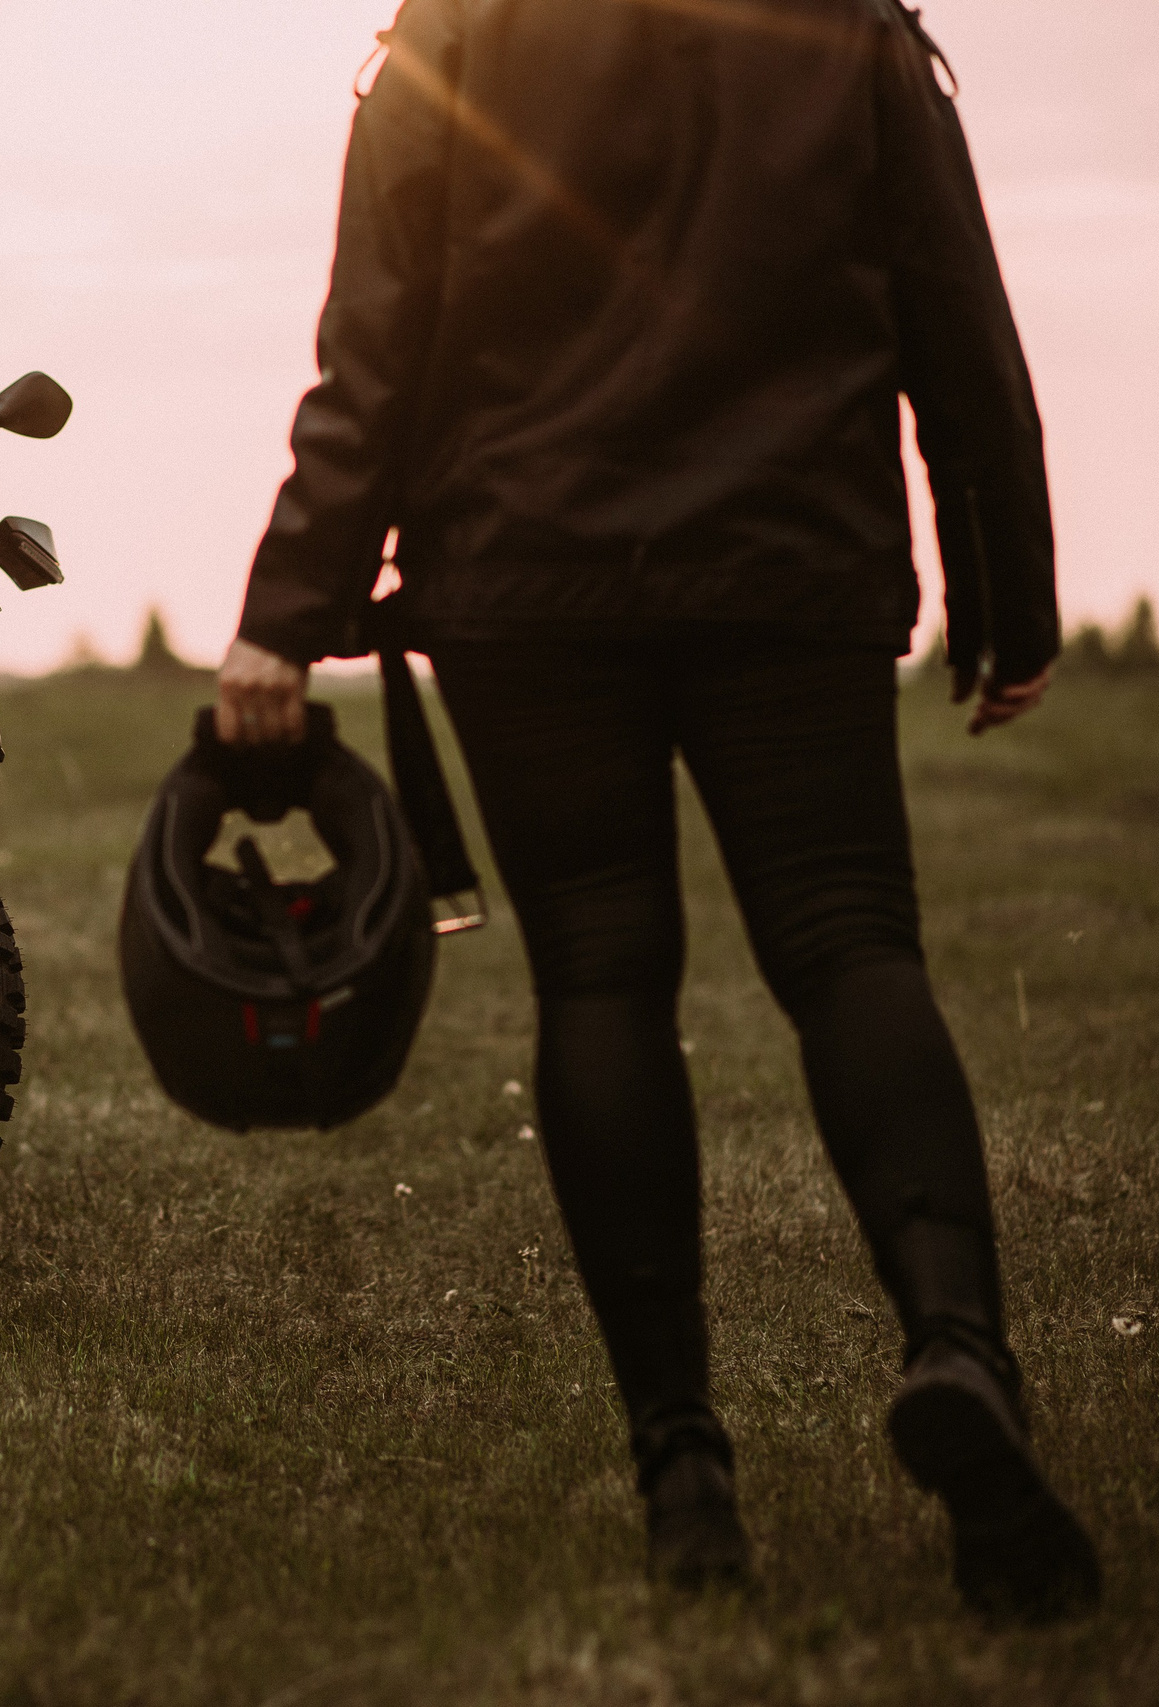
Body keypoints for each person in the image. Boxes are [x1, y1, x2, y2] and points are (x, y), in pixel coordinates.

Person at [216, 0, 1100, 1620]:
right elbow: (960, 317)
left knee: (603, 977)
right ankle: (959, 1353)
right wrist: (1007, 598)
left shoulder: (455, 36)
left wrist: (290, 607)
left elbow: (378, 345)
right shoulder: (848, 27)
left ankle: (686, 1476)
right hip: (793, 564)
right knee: (849, 949)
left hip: (524, 576)